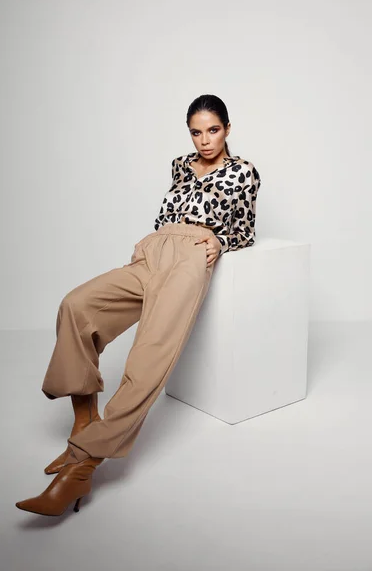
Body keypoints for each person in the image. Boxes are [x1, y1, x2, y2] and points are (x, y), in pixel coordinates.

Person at [15, 94, 261, 516]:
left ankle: (81, 467)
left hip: (190, 259)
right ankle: (83, 423)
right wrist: (153, 241)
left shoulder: (244, 172)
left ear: (228, 129)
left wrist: (220, 241)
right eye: (196, 132)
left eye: (213, 130)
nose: (205, 140)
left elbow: (246, 228)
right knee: (77, 306)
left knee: (148, 355)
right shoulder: (180, 165)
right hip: (151, 252)